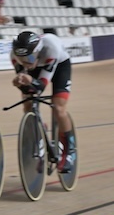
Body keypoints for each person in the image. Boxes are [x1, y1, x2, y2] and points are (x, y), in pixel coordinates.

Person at [10, 31, 76, 173]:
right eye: (22, 59)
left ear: (38, 50)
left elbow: (41, 86)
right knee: (28, 104)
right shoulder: (15, 57)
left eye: (30, 57)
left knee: (58, 107)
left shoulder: (50, 48)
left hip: (59, 66)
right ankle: (40, 129)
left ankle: (69, 151)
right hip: (37, 69)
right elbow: (27, 87)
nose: (26, 61)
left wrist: (30, 81)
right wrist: (20, 83)